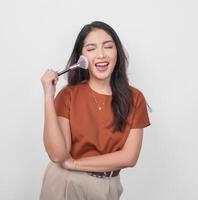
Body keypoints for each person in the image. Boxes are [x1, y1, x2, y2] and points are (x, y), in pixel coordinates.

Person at [39, 21, 151, 200]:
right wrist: (48, 97)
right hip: (64, 182)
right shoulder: (69, 94)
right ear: (81, 56)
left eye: (108, 47)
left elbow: (129, 157)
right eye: (91, 49)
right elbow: (58, 154)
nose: (101, 55)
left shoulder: (135, 98)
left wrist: (75, 164)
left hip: (107, 187)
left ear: (117, 52)